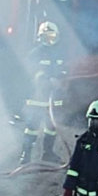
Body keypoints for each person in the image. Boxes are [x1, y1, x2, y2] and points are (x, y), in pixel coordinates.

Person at [18, 21, 66, 165]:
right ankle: (25, 155)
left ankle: (48, 153)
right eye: (46, 37)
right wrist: (47, 79)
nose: (49, 40)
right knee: (32, 128)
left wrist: (61, 79)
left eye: (52, 36)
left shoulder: (59, 53)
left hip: (54, 99)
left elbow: (63, 70)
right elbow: (31, 72)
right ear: (40, 37)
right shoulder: (35, 53)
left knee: (51, 128)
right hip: (37, 99)